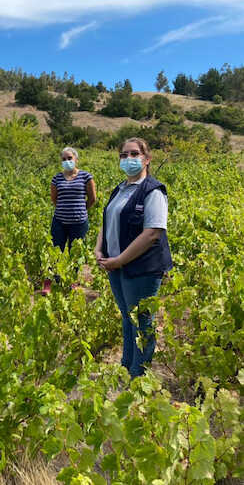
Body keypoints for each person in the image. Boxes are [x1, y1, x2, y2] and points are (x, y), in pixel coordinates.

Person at [94, 137, 172, 378]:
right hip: (116, 265)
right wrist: (99, 249)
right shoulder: (120, 189)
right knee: (127, 319)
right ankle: (126, 368)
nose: (128, 159)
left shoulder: (153, 191)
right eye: (124, 155)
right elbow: (108, 221)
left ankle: (139, 376)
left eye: (134, 154)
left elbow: (152, 233)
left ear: (146, 159)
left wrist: (120, 260)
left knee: (142, 323)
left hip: (141, 268)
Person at [42, 147, 97, 294]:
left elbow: (92, 199)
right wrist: (65, 208)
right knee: (55, 251)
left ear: (76, 159)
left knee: (75, 253)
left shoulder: (86, 176)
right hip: (59, 221)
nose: (67, 161)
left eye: (69, 158)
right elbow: (54, 199)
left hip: (79, 222)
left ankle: (72, 281)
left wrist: (80, 209)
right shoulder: (57, 178)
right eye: (64, 159)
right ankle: (50, 282)